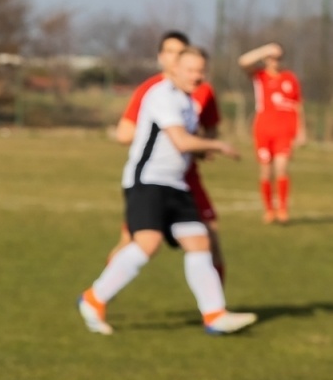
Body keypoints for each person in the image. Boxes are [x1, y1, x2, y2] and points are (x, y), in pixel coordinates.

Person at [78, 47, 256, 337]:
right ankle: (93, 299)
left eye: (201, 71)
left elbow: (181, 145)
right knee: (148, 242)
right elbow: (182, 141)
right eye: (191, 70)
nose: (197, 77)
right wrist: (217, 146)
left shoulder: (186, 102)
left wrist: (201, 152)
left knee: (199, 243)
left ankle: (214, 315)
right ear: (174, 69)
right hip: (148, 180)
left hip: (176, 183)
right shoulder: (162, 95)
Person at [114, 31, 226, 279]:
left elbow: (210, 128)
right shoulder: (153, 91)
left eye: (180, 53)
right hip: (153, 178)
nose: (175, 59)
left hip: (187, 179)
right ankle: (98, 297)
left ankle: (214, 309)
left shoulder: (201, 90)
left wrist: (203, 147)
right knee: (138, 241)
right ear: (162, 57)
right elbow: (124, 133)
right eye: (170, 53)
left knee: (206, 240)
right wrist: (164, 136)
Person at [237, 42, 305, 224]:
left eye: (278, 58)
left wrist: (301, 131)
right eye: (272, 58)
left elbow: (298, 105)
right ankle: (269, 210)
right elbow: (242, 62)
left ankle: (282, 209)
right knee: (266, 171)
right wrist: (264, 49)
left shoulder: (290, 78)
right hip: (263, 130)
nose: (275, 61)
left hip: (284, 131)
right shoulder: (260, 76)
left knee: (281, 167)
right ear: (266, 59)